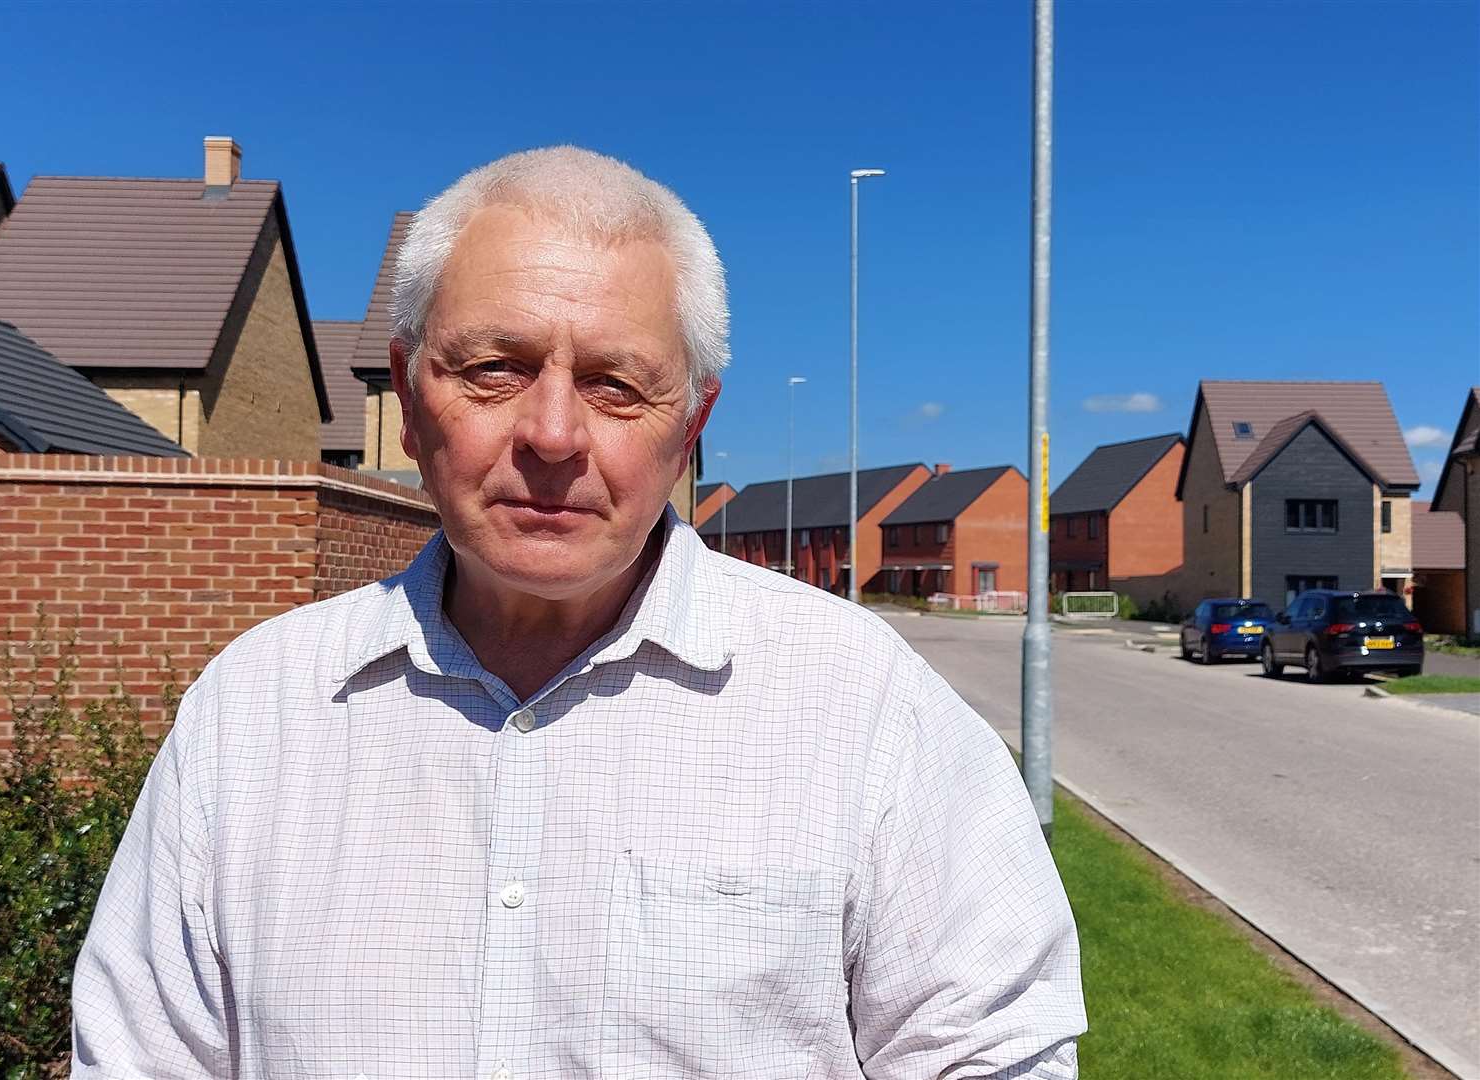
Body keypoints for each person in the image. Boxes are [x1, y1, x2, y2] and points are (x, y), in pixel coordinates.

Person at [71, 146, 1085, 1079]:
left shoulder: (865, 710)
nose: (550, 434)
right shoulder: (253, 714)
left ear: (691, 423)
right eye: (494, 368)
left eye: (614, 384)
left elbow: (995, 1054)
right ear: (410, 393)